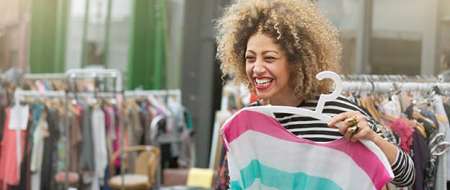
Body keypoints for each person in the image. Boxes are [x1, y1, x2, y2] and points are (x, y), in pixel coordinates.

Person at [214, 0, 415, 189]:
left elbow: (406, 175)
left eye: (269, 58)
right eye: (250, 58)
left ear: (296, 62)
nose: (256, 68)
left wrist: (372, 139)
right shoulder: (250, 123)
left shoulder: (340, 116)